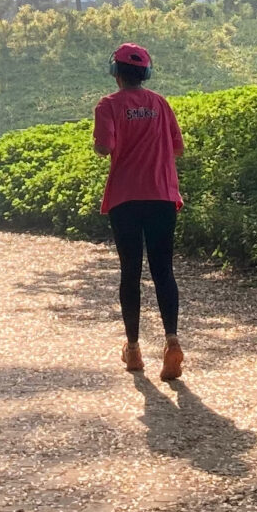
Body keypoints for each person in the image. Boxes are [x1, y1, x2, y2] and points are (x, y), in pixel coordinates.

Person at [93, 41, 185, 381]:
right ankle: (172, 343)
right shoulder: (160, 103)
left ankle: (133, 350)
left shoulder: (108, 105)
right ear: (144, 74)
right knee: (164, 270)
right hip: (162, 194)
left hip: (125, 199)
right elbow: (178, 146)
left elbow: (104, 148)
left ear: (116, 74)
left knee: (130, 271)